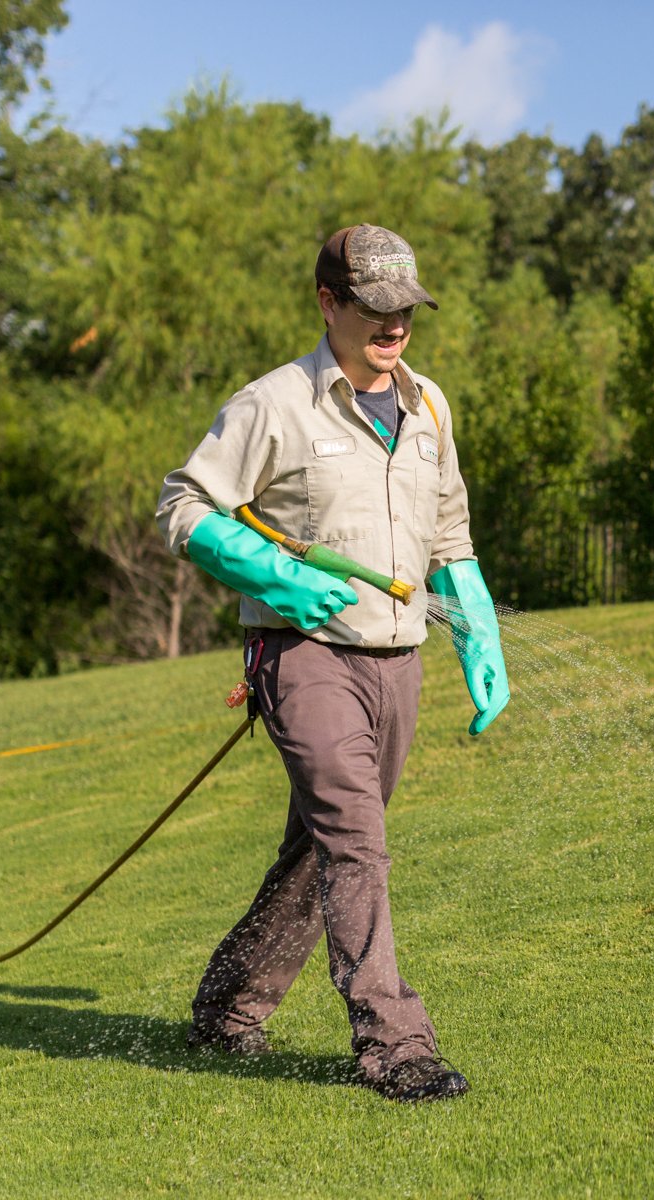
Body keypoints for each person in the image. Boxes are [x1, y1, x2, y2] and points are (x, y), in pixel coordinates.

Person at [154, 223, 510, 1104]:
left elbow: (450, 533)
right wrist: (269, 572)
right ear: (329, 303)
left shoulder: (431, 407)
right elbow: (183, 506)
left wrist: (479, 633)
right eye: (375, 309)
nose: (394, 327)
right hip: (303, 656)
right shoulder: (274, 403)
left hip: (399, 661)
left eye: (406, 311)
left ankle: (229, 1008)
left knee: (324, 847)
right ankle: (397, 1045)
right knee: (357, 842)